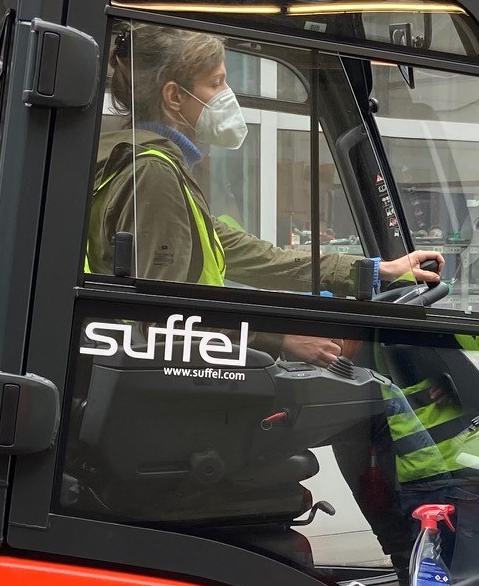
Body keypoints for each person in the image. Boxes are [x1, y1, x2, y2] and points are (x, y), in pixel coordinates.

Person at [87, 23, 442, 368]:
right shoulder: (153, 174)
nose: (228, 94)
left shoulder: (159, 168)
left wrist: (376, 271)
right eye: (217, 83)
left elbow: (257, 257)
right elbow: (164, 318)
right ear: (175, 96)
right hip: (174, 388)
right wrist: (280, 338)